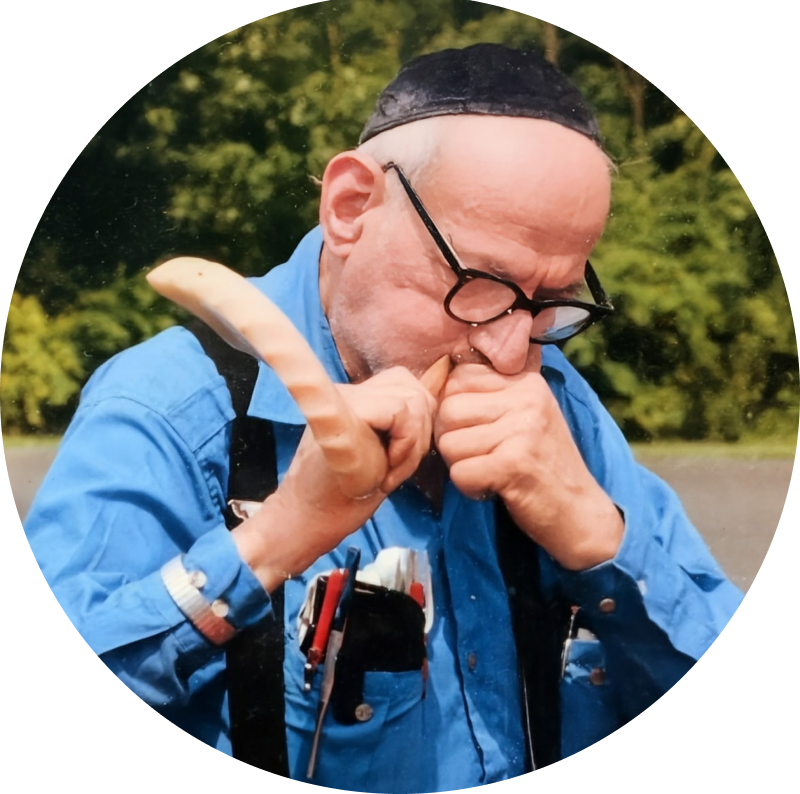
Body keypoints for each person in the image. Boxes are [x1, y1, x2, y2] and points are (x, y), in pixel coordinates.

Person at [23, 44, 743, 790]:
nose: (507, 351)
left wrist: (600, 539)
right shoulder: (174, 408)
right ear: (350, 207)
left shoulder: (557, 402)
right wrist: (272, 543)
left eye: (550, 301)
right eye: (481, 283)